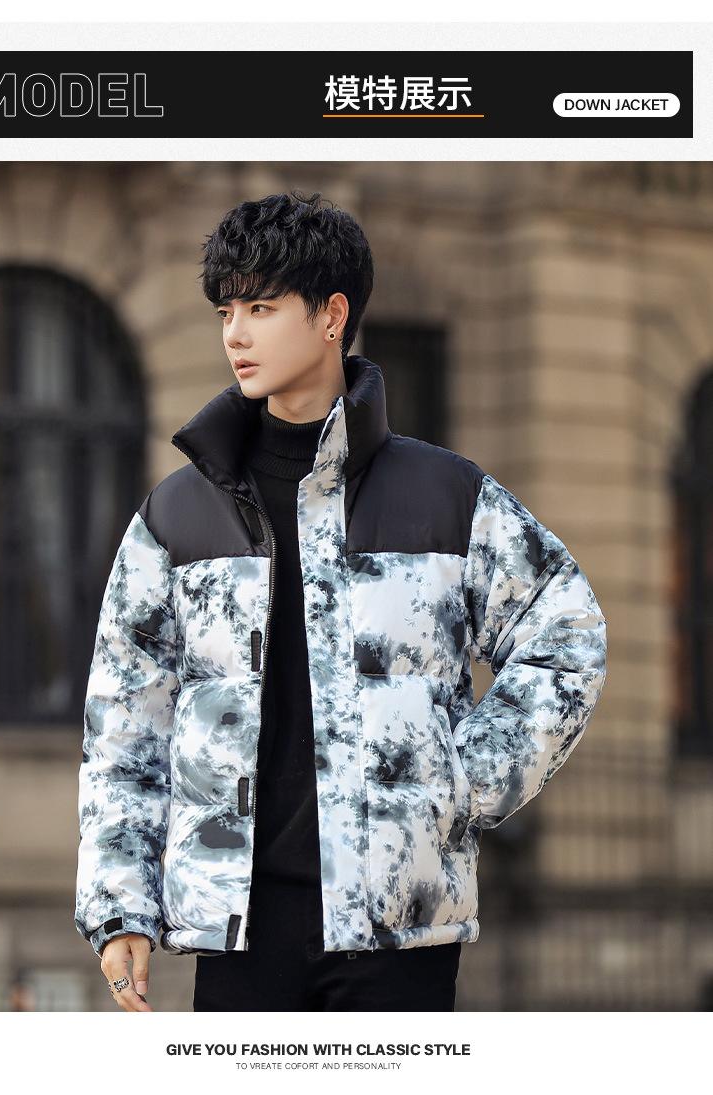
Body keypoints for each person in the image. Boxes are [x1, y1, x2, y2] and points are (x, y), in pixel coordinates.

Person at [74, 190, 608, 1012]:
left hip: (398, 930)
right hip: (238, 932)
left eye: (260, 307)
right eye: (225, 311)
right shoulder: (175, 516)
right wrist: (121, 902)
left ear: (332, 316)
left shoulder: (446, 495)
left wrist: (458, 784)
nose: (235, 334)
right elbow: (124, 723)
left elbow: (566, 633)